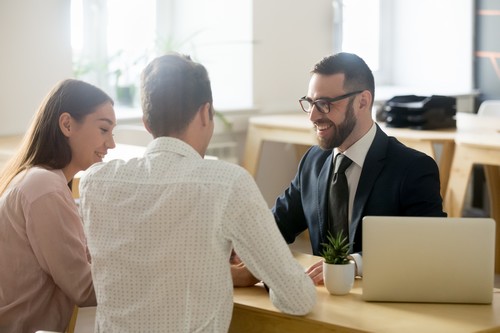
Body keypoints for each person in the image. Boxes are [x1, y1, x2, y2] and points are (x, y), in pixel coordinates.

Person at [79, 53, 316, 332]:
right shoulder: (228, 184)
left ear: (146, 122)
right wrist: (249, 271)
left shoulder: (95, 182)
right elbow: (298, 298)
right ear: (206, 113)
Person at [272, 52, 447, 284]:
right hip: (321, 302)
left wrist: (354, 264)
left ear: (362, 102)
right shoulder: (313, 161)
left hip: (384, 302)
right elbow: (275, 224)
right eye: (310, 103)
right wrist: (240, 254)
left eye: (324, 104)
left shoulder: (413, 169)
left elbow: (428, 245)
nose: (313, 116)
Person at [0, 79, 116, 332]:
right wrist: (156, 269)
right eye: (104, 130)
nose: (111, 144)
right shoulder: (45, 188)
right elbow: (84, 288)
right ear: (67, 124)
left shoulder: (38, 180)